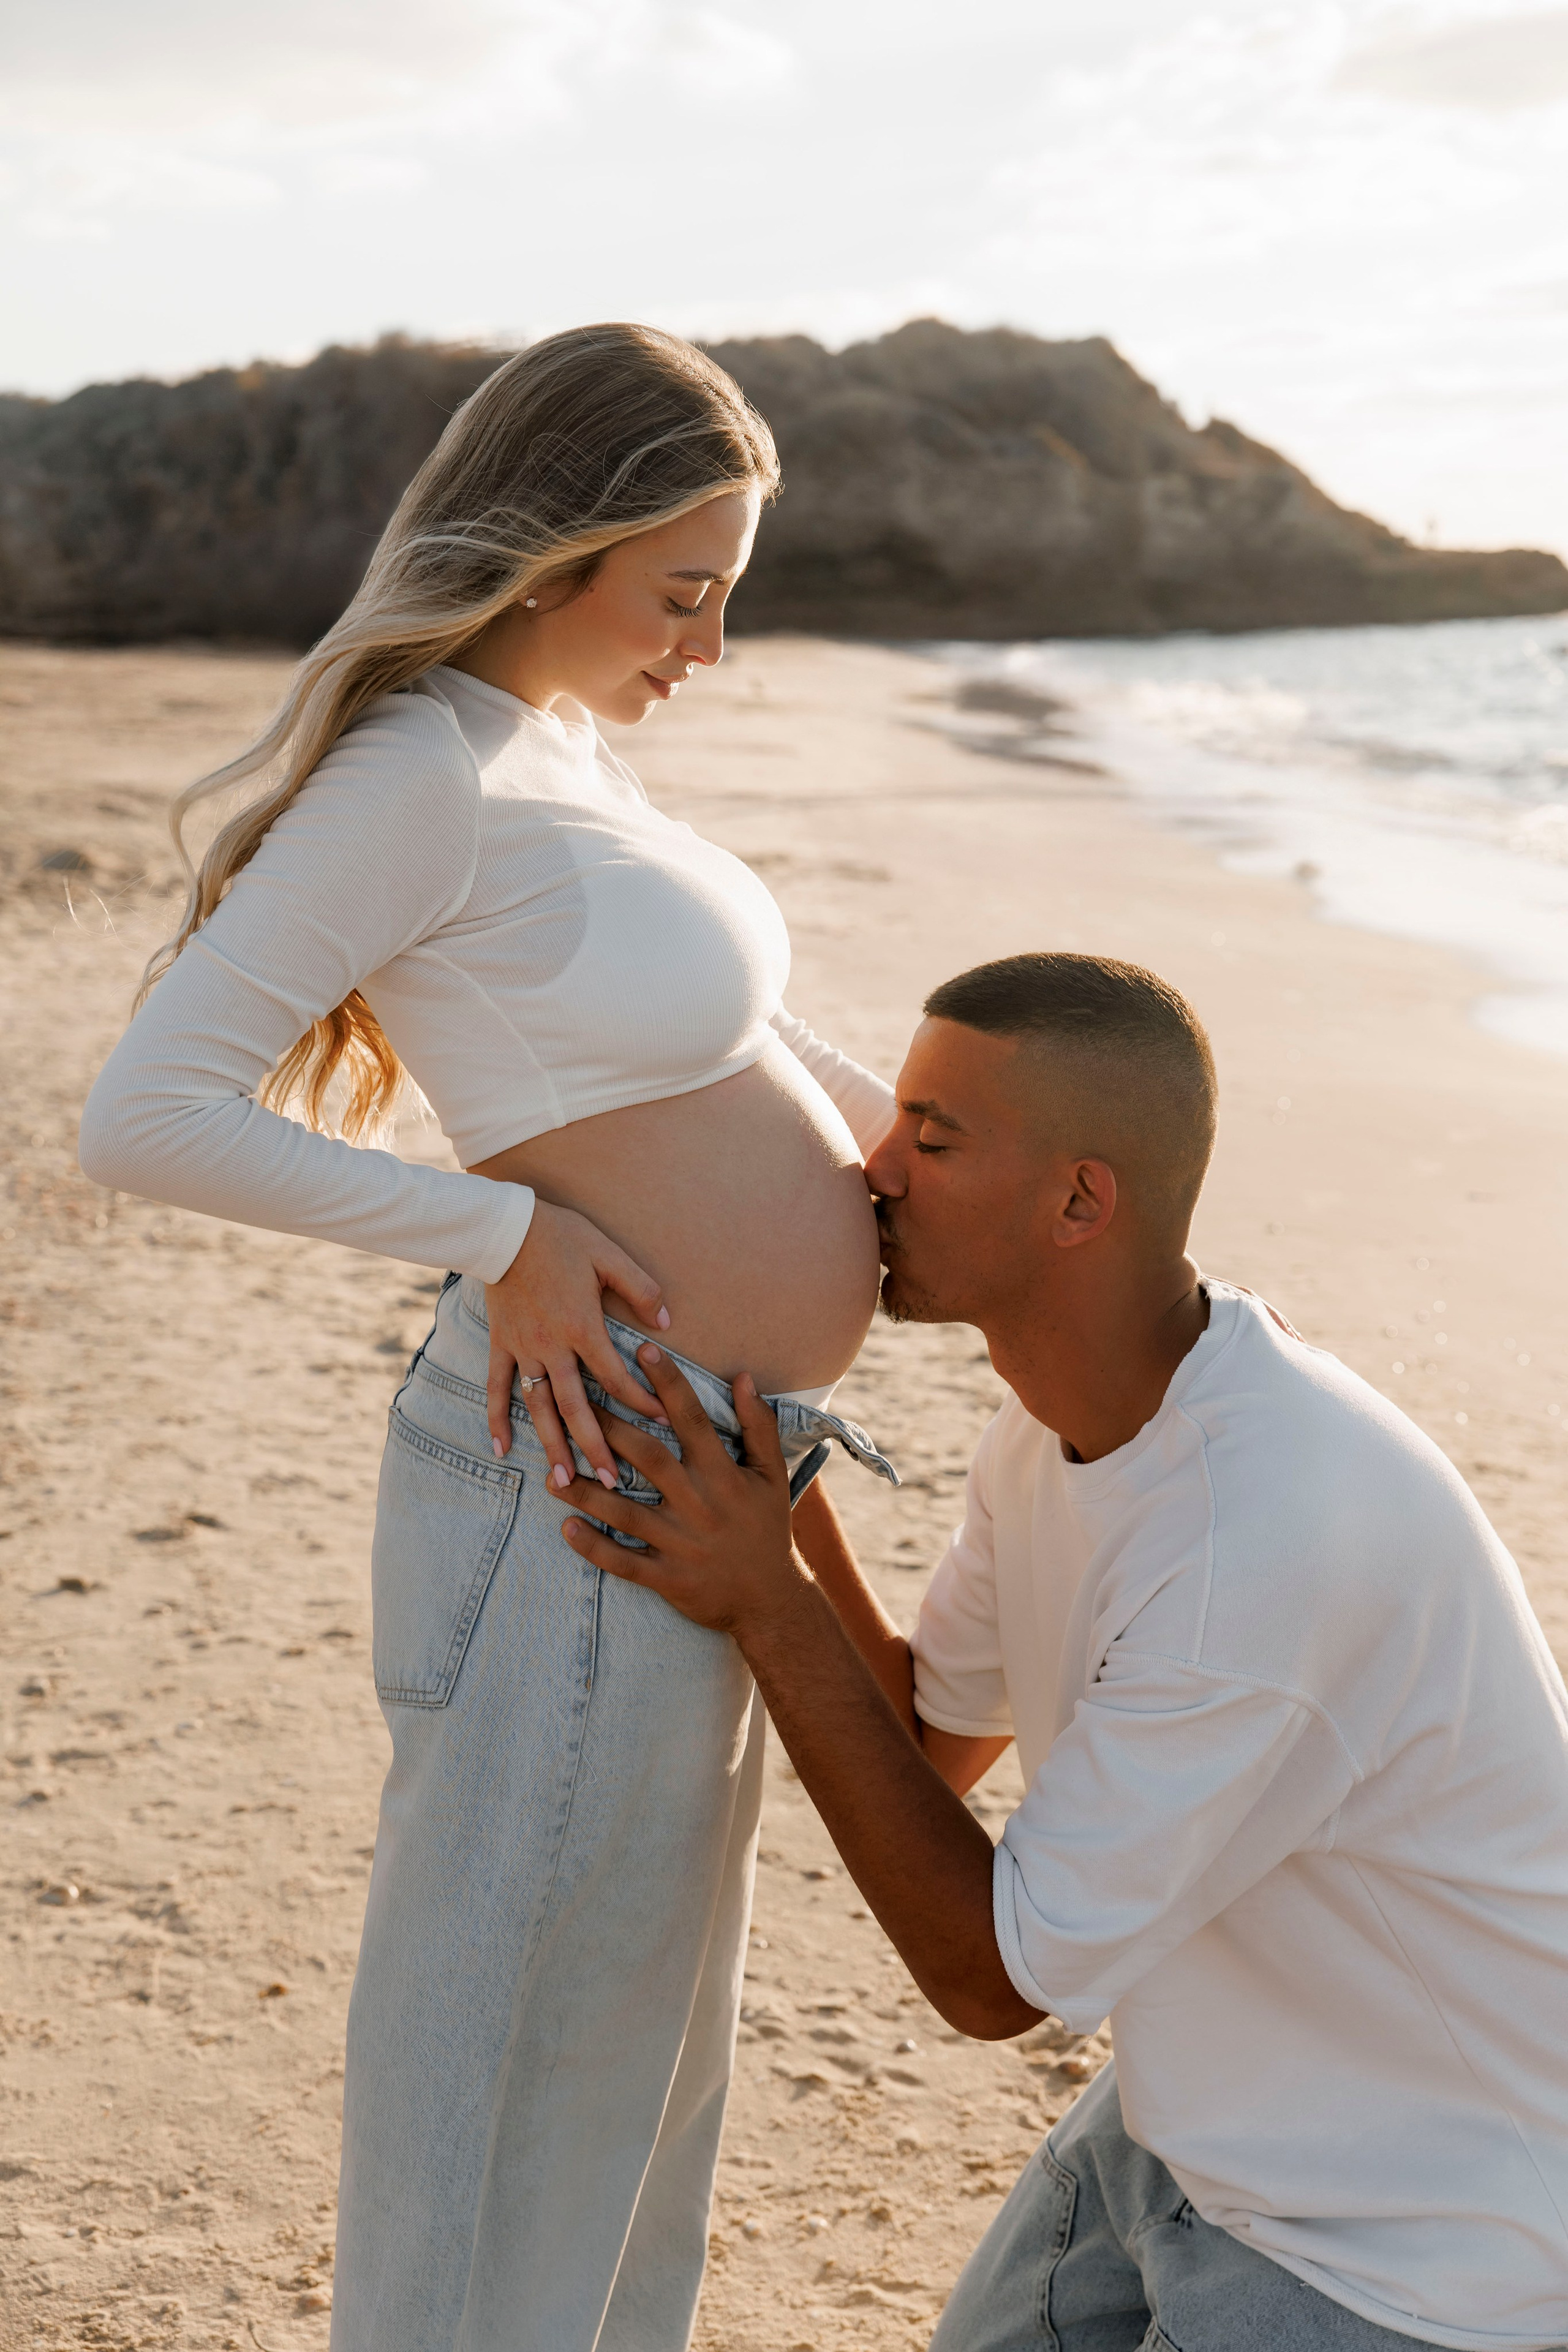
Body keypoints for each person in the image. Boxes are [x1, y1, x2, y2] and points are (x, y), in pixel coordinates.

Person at [77, 323, 900, 2352]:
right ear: (558, 554)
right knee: (515, 2051)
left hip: (693, 1470)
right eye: (683, 592)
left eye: (732, 596)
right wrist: (497, 1225)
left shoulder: (568, 751)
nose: (707, 646)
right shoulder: (414, 772)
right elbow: (145, 1115)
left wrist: (1019, 1197)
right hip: (580, 1473)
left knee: (638, 2045)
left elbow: (742, 1053)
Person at [557, 951, 1568, 2352]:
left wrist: (766, 1601)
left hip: (1420, 2241)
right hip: (1198, 2122)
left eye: (933, 1135)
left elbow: (991, 1980)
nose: (876, 1168)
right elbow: (924, 1741)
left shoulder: (1255, 1547)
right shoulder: (1054, 1424)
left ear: (1080, 1201)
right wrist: (778, 1511)